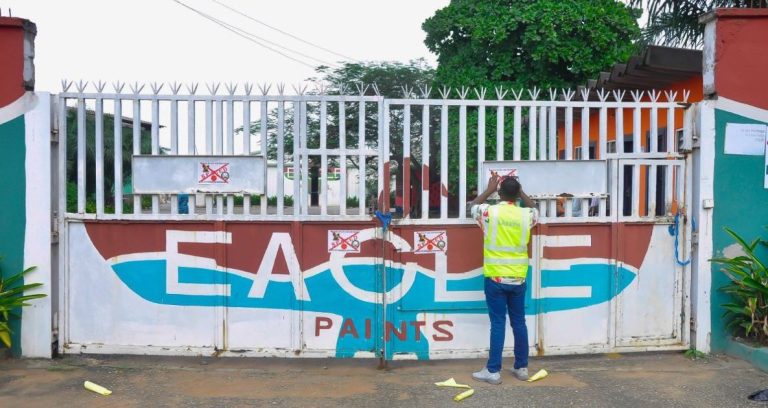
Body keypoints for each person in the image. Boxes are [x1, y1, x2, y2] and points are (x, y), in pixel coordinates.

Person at [469, 174, 538, 384]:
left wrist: (490, 189)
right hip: (518, 277)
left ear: (499, 193)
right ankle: (521, 368)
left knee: (498, 323)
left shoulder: (489, 212)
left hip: (496, 278)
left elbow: (473, 205)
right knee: (519, 322)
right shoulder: (526, 215)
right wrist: (520, 191)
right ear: (517, 194)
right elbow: (535, 208)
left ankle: (493, 371)